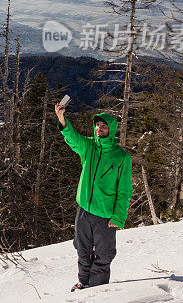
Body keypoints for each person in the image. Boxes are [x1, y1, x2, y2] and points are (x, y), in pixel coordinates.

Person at [54, 102, 132, 291]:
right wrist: (62, 119)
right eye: (97, 125)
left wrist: (119, 217)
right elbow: (72, 138)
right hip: (83, 210)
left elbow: (125, 191)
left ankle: (96, 289)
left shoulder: (121, 157)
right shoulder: (89, 146)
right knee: (82, 249)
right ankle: (83, 283)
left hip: (105, 214)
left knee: (104, 255)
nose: (99, 128)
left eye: (103, 126)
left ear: (111, 129)